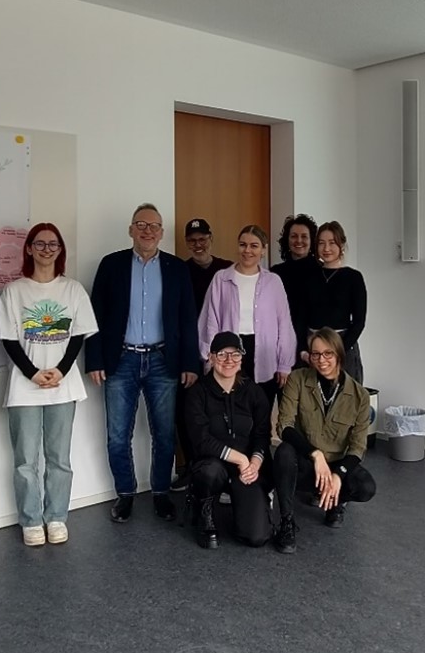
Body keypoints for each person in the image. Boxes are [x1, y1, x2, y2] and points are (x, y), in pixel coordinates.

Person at [86, 203, 199, 523]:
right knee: (117, 435)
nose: (148, 230)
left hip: (164, 361)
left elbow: (188, 319)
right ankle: (125, 494)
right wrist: (95, 358)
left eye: (154, 226)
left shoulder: (177, 269)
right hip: (120, 360)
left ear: (162, 232)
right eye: (141, 225)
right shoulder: (111, 265)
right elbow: (97, 315)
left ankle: (161, 493)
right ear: (131, 229)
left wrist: (190, 363)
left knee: (164, 434)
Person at [0, 223, 98, 547]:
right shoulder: (14, 291)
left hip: (63, 385)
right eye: (39, 244)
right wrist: (31, 372)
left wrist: (61, 370)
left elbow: (78, 336)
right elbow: (10, 339)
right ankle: (30, 520)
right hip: (24, 386)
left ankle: (56, 517)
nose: (46, 249)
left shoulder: (73, 290)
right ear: (28, 249)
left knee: (59, 458)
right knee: (25, 460)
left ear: (60, 249)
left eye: (52, 244)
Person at [271, 328, 376, 554]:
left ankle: (335, 501)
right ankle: (287, 521)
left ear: (339, 354)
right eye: (316, 354)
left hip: (336, 464)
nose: (321, 360)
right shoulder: (297, 379)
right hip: (307, 462)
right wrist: (315, 454)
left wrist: (339, 474)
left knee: (366, 487)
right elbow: (284, 426)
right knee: (284, 454)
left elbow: (358, 447)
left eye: (328, 354)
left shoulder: (360, 396)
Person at [183, 332, 273, 549]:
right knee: (209, 471)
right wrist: (240, 459)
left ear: (242, 358)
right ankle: (205, 512)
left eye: (235, 355)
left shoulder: (254, 392)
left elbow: (262, 435)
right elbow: (201, 440)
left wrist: (254, 463)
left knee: (257, 537)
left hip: (245, 469)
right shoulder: (197, 393)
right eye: (222, 355)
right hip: (212, 464)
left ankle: (245, 508)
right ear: (211, 358)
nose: (228, 361)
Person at [198, 225, 293, 404]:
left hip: (265, 354)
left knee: (261, 412)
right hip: (229, 354)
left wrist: (284, 363)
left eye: (254, 246)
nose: (247, 250)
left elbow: (284, 324)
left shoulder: (273, 282)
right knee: (230, 408)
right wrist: (210, 356)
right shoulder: (221, 278)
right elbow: (210, 320)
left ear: (263, 250)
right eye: (243, 245)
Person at [172, 218, 232, 492]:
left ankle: (225, 469)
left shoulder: (227, 271)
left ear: (211, 238)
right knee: (188, 412)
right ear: (187, 243)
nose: (198, 244)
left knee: (223, 412)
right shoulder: (180, 271)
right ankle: (192, 468)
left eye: (202, 238)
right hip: (191, 354)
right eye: (192, 240)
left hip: (224, 355)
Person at [299, 221, 367, 383]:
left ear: (341, 245)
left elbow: (359, 322)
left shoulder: (353, 277)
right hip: (313, 347)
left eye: (332, 243)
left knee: (345, 401)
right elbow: (301, 318)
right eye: (321, 243)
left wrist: (337, 351)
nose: (326, 248)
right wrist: (304, 351)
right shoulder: (309, 277)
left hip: (343, 345)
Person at [269, 214, 317, 360]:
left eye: (304, 236)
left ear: (312, 240)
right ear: (287, 240)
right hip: (281, 343)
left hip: (312, 344)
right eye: (294, 236)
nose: (299, 241)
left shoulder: (321, 271)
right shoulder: (275, 273)